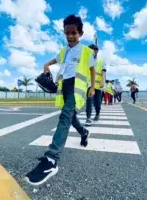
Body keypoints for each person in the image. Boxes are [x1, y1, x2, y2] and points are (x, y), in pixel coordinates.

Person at [25, 14, 96, 186]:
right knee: (70, 117)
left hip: (77, 88)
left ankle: (51, 159)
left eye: (74, 33)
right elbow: (54, 60)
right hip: (64, 87)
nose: (70, 36)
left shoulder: (87, 51)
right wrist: (46, 65)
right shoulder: (64, 50)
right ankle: (84, 132)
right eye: (67, 33)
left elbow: (93, 69)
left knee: (65, 116)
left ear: (80, 33)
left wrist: (93, 87)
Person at [85, 44, 106, 126]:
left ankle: (97, 114)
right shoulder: (86, 60)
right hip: (89, 85)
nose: (89, 52)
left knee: (97, 102)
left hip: (98, 86)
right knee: (89, 100)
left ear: (96, 51)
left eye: (91, 50)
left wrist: (103, 80)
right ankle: (88, 117)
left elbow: (103, 71)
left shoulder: (100, 61)